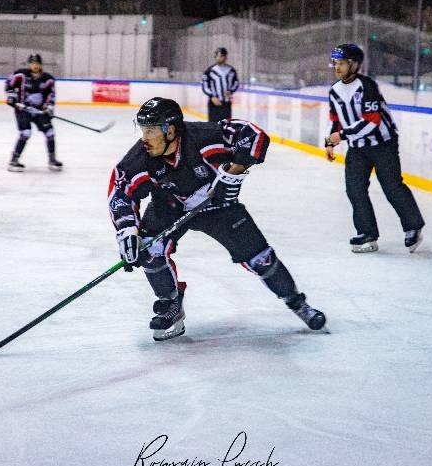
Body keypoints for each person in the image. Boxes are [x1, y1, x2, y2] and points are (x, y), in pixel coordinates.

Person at [108, 97, 326, 341]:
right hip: (169, 205)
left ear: (170, 130)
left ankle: (297, 303)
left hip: (218, 206)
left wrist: (233, 172)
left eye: (150, 131)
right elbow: (120, 191)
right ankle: (170, 303)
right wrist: (127, 230)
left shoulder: (205, 136)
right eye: (142, 130)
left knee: (261, 259)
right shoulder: (140, 157)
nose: (144, 138)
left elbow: (254, 135)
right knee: (148, 248)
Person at [325, 44, 425, 253]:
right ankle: (367, 233)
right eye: (335, 63)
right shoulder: (334, 90)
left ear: (354, 65)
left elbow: (372, 121)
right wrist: (330, 141)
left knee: (392, 186)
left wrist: (341, 135)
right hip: (357, 148)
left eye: (341, 63)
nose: (337, 67)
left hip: (383, 145)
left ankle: (413, 226)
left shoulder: (367, 86)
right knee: (354, 189)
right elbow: (335, 119)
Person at [4, 54, 63, 172]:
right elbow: (9, 84)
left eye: (37, 63)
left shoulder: (48, 79)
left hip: (39, 111)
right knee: (25, 133)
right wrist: (11, 97)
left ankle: (52, 160)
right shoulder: (20, 75)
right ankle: (14, 160)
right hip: (23, 110)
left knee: (50, 132)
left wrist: (49, 108)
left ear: (41, 65)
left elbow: (51, 95)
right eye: (32, 63)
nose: (35, 66)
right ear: (29, 64)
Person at [201, 47, 239, 122]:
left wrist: (230, 91)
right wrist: (212, 96)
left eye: (221, 56)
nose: (218, 58)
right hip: (214, 103)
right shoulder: (209, 71)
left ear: (225, 57)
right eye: (217, 56)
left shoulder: (231, 70)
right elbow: (205, 86)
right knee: (213, 125)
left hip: (226, 103)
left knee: (226, 125)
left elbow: (236, 83)